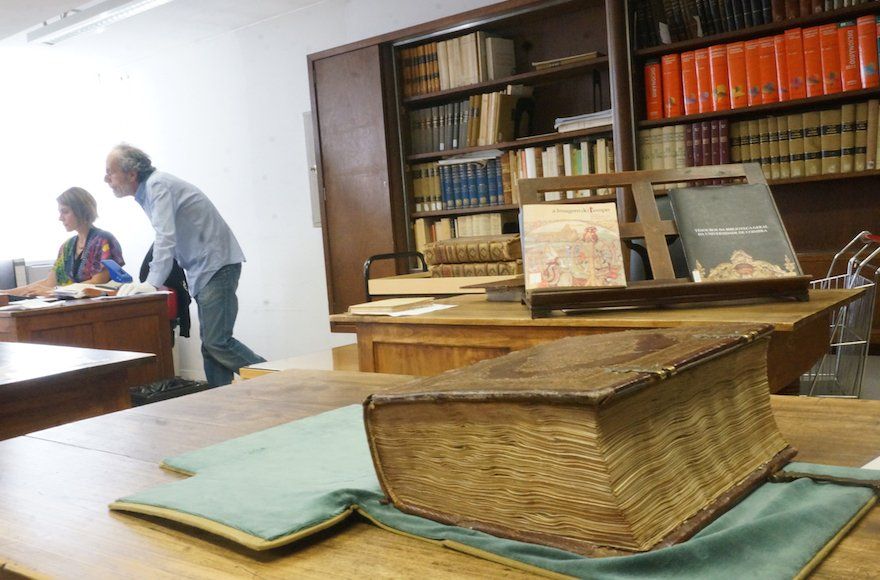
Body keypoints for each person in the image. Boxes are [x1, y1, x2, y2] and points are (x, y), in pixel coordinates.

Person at [104, 143, 265, 386]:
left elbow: (165, 236)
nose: (106, 178)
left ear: (132, 174)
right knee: (211, 347)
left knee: (217, 342)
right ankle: (222, 404)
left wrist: (152, 283)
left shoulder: (157, 186)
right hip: (205, 268)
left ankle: (283, 380)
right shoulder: (149, 190)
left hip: (216, 265)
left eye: (110, 171)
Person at [5, 187, 124, 297]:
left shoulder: (104, 240)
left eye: (65, 211)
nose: (60, 217)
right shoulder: (66, 246)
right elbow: (49, 282)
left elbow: (97, 282)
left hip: (99, 309)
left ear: (81, 211)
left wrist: (54, 292)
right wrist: (6, 293)